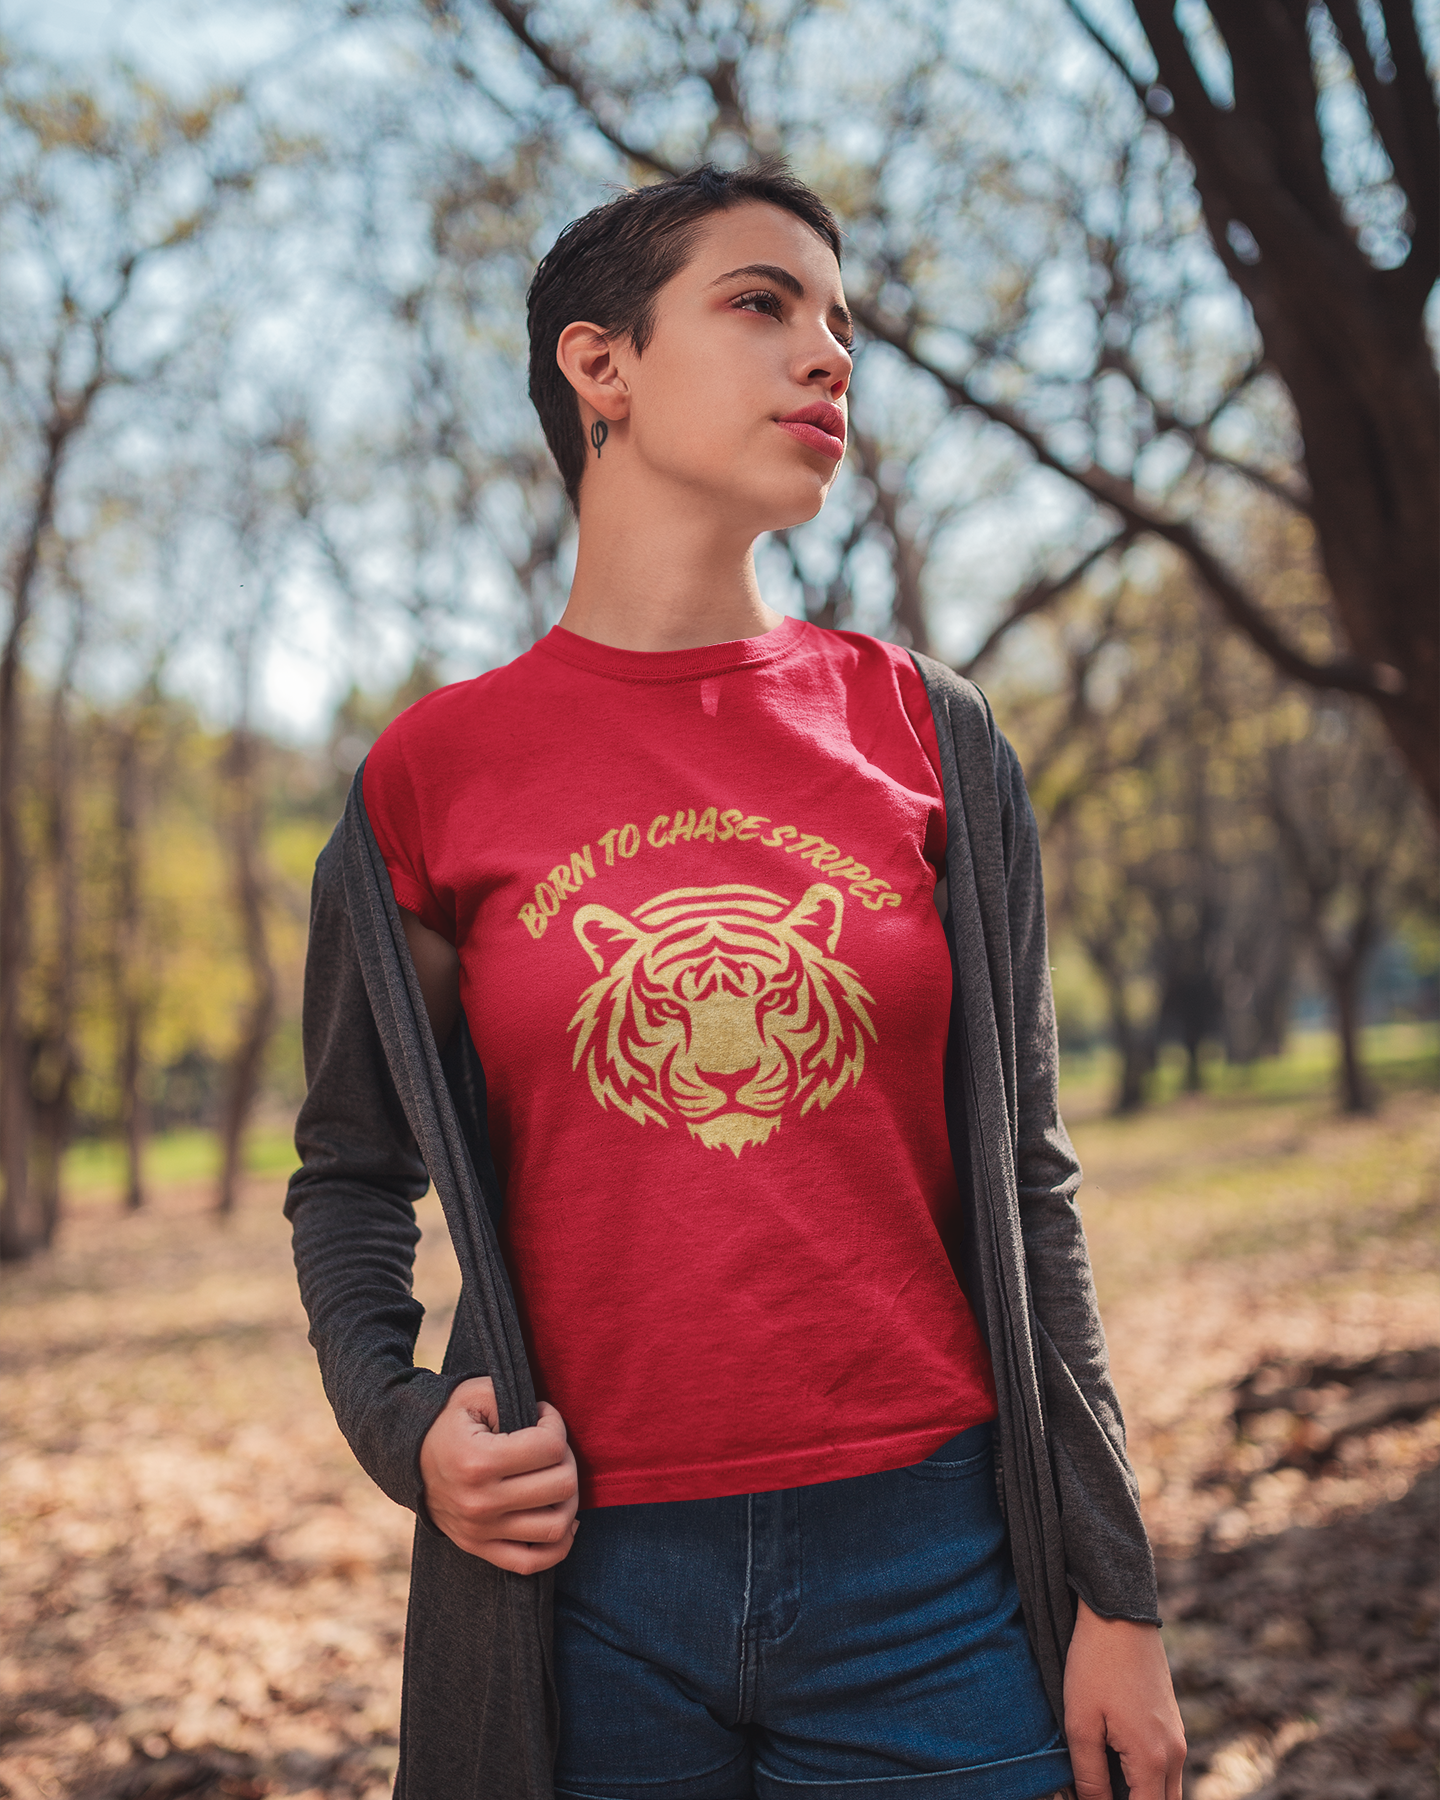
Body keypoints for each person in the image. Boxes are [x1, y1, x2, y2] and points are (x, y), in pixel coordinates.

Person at [286, 162, 1186, 1800]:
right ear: (599, 366)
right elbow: (348, 1172)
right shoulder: (429, 777)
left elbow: (1028, 1183)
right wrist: (403, 1426)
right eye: (763, 304)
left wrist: (1116, 1593)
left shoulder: (929, 732)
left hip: (936, 1556)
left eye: (841, 322)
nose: (830, 354)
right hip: (579, 1584)